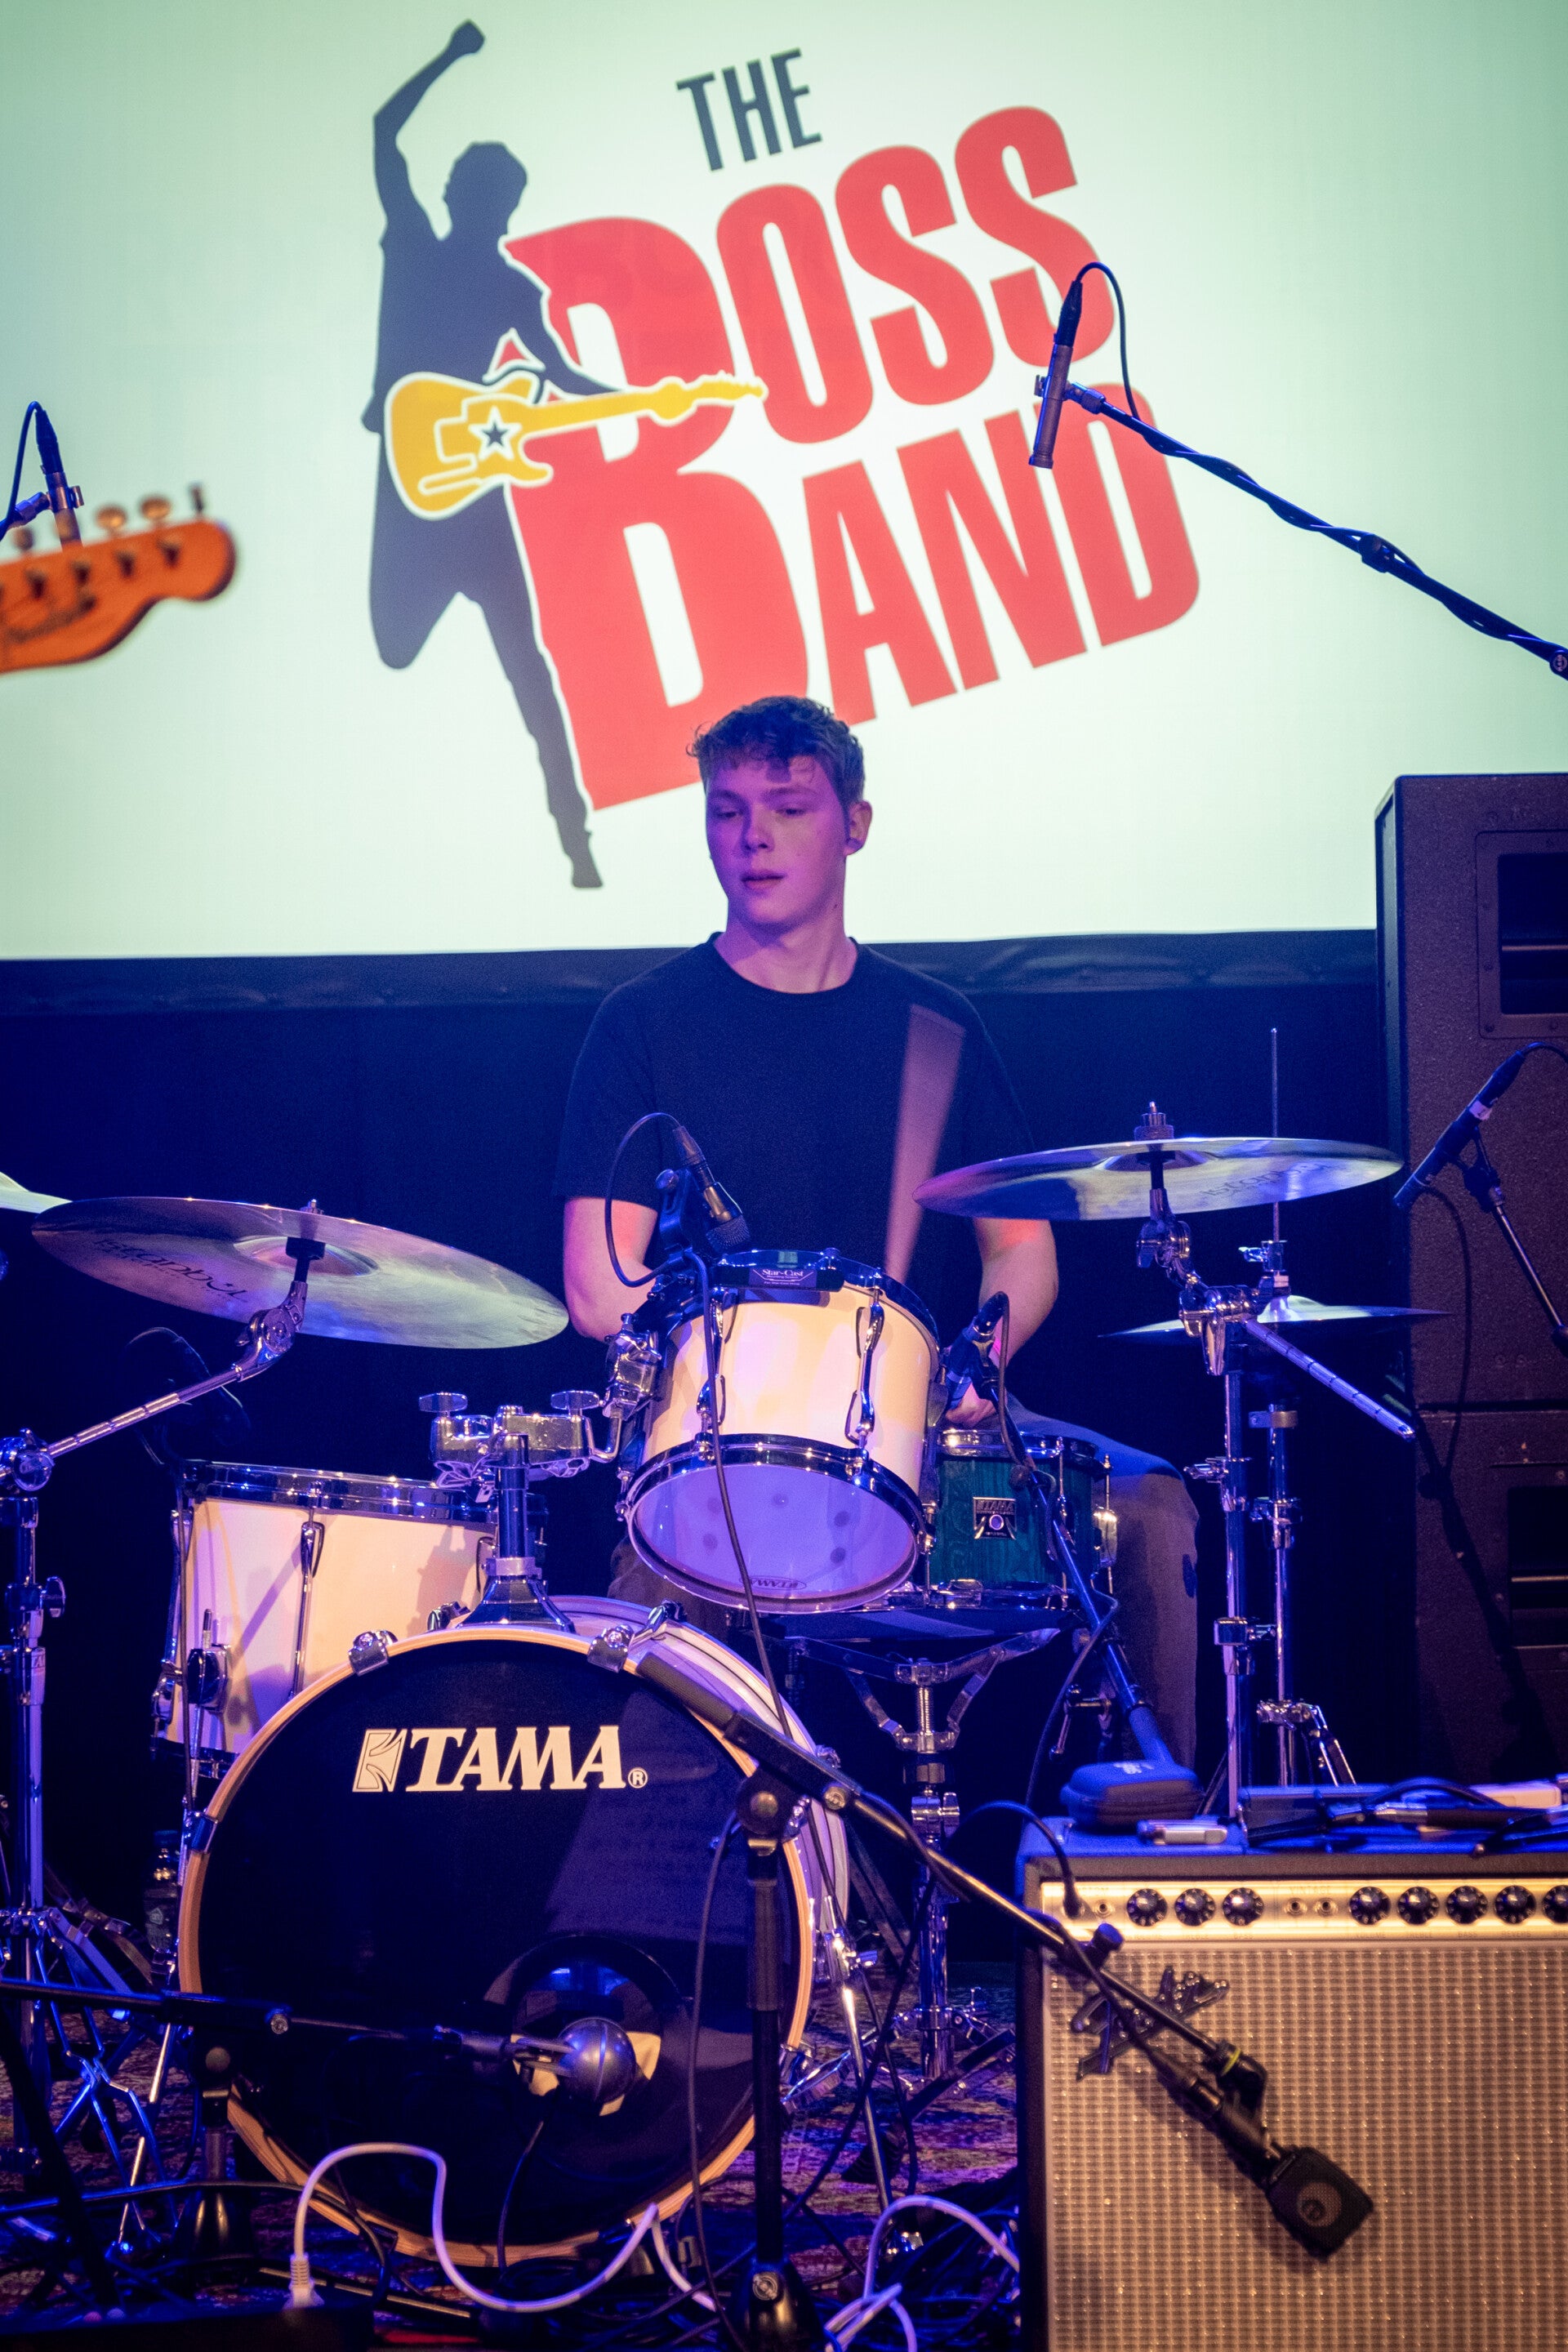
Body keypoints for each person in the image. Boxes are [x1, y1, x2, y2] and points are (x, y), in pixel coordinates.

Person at [554, 695, 1198, 1763]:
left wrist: (979, 1358)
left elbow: (1022, 1253)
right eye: (726, 810)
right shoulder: (643, 1023)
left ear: (855, 824)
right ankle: (669, 1864)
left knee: (1151, 1508)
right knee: (671, 1585)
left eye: (788, 808)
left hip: (920, 1423)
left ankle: (1155, 1841)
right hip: (719, 1434)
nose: (753, 838)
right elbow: (595, 1286)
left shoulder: (936, 1022)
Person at [364, 20, 608, 889]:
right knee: (395, 646)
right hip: (410, 484)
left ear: (502, 208)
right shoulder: (413, 245)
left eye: (493, 196)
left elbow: (561, 372)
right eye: (475, 191)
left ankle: (575, 837)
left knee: (525, 659)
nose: (482, 206)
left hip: (472, 485)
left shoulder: (508, 286)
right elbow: (383, 131)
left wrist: (642, 399)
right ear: (459, 196)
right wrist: (449, 56)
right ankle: (574, 835)